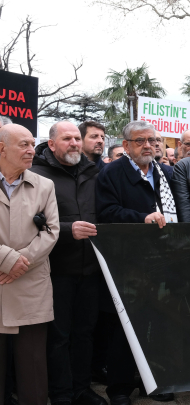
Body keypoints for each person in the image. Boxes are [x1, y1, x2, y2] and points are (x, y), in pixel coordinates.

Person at [95, 121, 177, 405]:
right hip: (128, 261)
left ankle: (154, 382)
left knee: (160, 323)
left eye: (152, 140)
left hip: (164, 259)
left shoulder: (166, 172)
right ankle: (119, 388)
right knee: (125, 328)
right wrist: (141, 218)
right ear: (126, 145)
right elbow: (106, 213)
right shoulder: (111, 173)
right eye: (140, 141)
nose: (148, 145)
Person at [30, 122, 106, 405]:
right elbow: (28, 222)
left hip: (91, 270)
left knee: (84, 334)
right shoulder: (36, 174)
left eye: (76, 138)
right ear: (51, 144)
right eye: (67, 139)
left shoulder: (94, 172)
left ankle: (82, 389)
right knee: (58, 336)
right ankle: (61, 393)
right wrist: (66, 230)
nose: (74, 143)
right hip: (55, 270)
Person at [0, 124, 59, 405]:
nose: (31, 150)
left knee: (33, 368)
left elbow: (51, 232)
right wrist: (7, 259)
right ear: (2, 148)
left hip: (31, 285)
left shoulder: (44, 185)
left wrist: (20, 262)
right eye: (24, 144)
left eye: (33, 144)